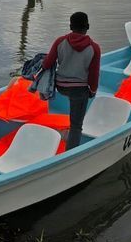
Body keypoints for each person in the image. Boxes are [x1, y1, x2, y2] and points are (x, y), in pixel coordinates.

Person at [40, 11, 100, 149]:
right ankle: (70, 152)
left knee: (71, 96)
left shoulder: (60, 41)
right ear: (88, 26)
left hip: (60, 86)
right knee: (76, 126)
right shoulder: (94, 48)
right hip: (79, 89)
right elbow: (93, 74)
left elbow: (47, 64)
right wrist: (93, 90)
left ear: (70, 26)